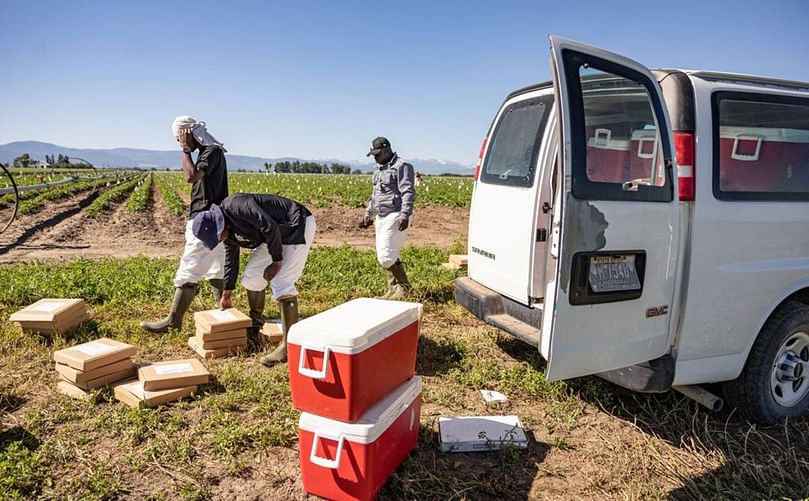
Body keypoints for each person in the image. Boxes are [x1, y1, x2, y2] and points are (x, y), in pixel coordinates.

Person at [191, 193, 316, 367]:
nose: (219, 240)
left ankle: (288, 347)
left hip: (294, 226)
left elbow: (269, 225)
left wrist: (277, 262)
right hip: (272, 236)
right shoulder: (229, 233)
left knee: (282, 282)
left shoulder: (236, 205)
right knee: (252, 278)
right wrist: (227, 294)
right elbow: (231, 259)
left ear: (219, 226)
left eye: (216, 237)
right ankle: (256, 327)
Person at [141, 116, 228, 333]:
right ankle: (224, 316)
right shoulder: (212, 150)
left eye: (178, 137)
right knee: (217, 267)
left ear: (186, 133)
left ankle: (173, 321)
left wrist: (185, 150)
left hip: (205, 218)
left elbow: (191, 176)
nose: (178, 142)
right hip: (217, 217)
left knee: (191, 266)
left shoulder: (210, 152)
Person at [358, 136, 415, 300]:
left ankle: (404, 288)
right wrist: (368, 213)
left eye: (377, 153)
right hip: (381, 216)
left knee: (386, 256)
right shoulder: (378, 169)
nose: (375, 157)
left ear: (386, 149)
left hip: (395, 214)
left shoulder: (402, 166)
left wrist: (405, 215)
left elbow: (408, 192)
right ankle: (393, 289)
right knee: (385, 253)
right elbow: (375, 195)